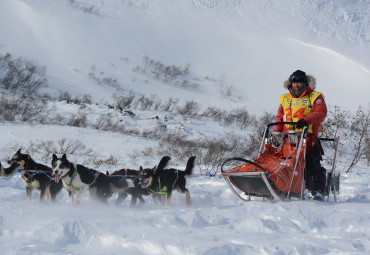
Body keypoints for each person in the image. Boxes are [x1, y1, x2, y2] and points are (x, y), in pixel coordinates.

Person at [273, 70, 327, 200]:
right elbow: (280, 117)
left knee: (311, 165)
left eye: (299, 83)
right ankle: (282, 188)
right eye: (294, 82)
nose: (296, 85)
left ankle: (318, 191)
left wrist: (306, 120)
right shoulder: (285, 98)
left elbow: (321, 113)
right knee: (283, 164)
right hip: (287, 140)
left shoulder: (315, 97)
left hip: (307, 139)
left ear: (305, 83)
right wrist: (276, 133)